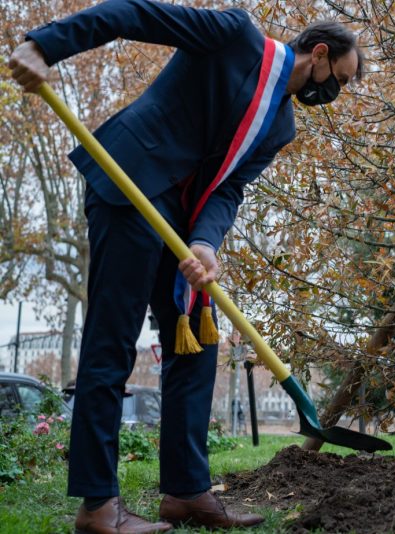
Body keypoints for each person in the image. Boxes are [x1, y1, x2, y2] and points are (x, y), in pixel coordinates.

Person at [7, 1, 363, 532]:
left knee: (196, 345)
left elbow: (232, 188)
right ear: (318, 54)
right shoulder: (234, 35)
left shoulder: (281, 125)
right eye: (339, 79)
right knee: (112, 340)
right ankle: (98, 505)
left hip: (181, 217)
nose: (333, 94)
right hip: (130, 181)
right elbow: (133, 14)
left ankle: (185, 492)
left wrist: (205, 244)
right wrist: (44, 45)